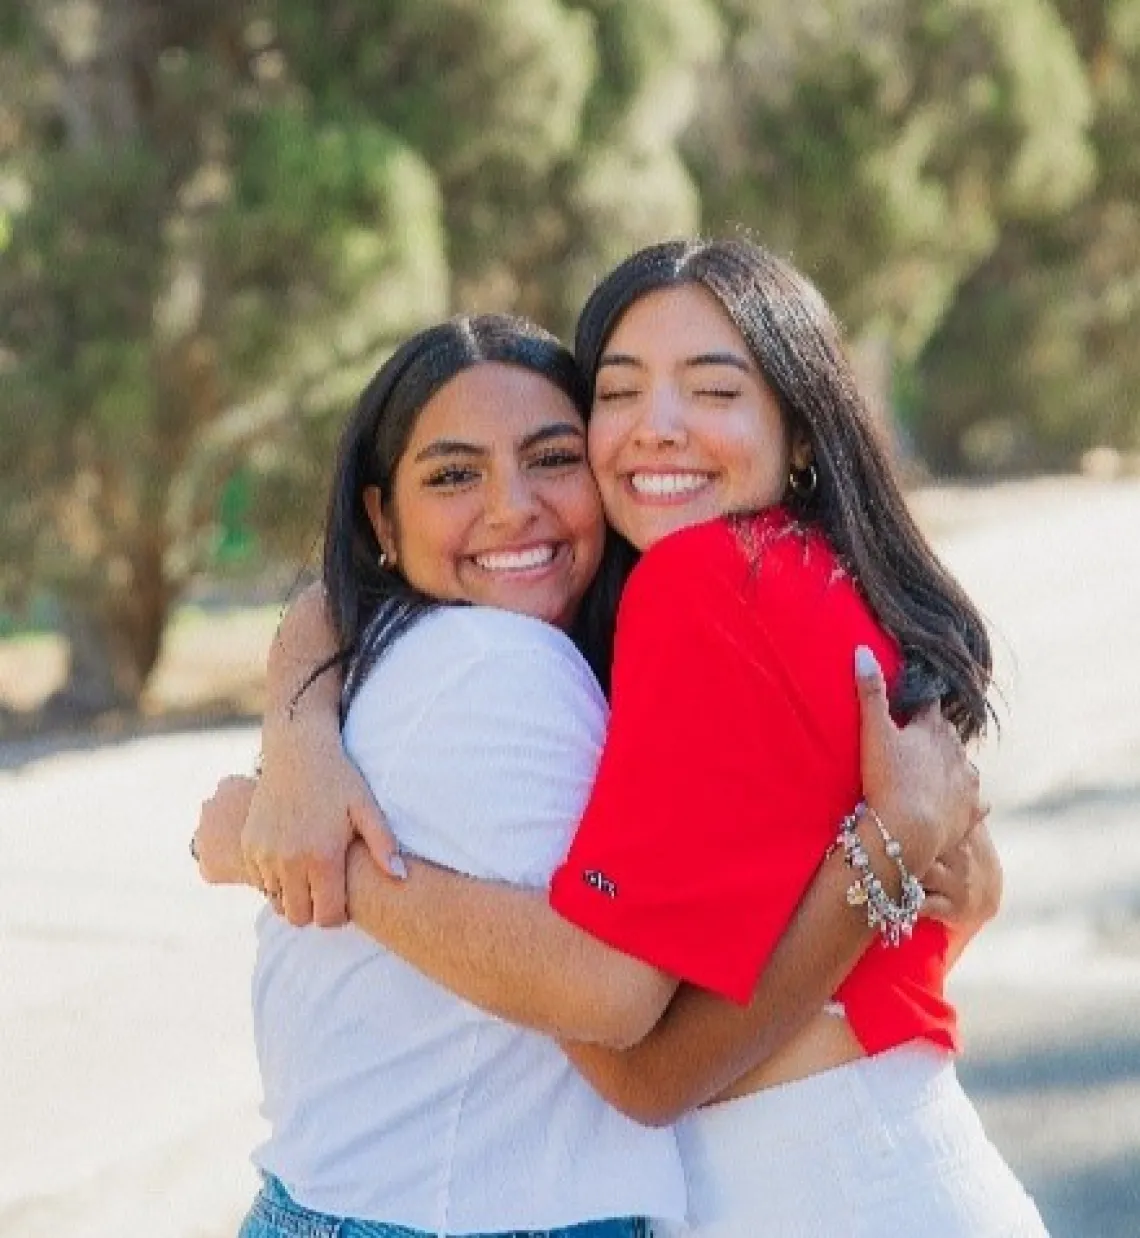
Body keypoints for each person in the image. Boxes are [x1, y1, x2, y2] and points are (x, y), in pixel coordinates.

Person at [196, 242, 1036, 1235]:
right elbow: (333, 602)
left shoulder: (704, 584)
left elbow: (633, 1051)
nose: (657, 429)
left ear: (798, 426)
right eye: (621, 392)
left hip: (822, 1183)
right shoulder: (802, 573)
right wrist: (300, 724)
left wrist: (305, 849)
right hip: (893, 1157)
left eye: (713, 388)